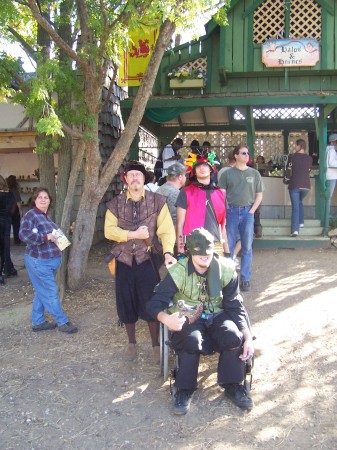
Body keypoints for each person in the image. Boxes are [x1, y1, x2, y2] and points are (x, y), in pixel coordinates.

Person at [146, 227, 254, 415]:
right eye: (199, 252)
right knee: (192, 340)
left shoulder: (226, 270)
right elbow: (154, 303)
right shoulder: (178, 272)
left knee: (233, 336)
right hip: (189, 315)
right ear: (189, 251)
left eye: (209, 251)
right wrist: (166, 319)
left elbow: (235, 305)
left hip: (218, 313)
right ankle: (184, 389)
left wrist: (247, 336)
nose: (205, 256)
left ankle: (232, 384)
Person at [104, 160, 176, 362]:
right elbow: (108, 231)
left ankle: (155, 345)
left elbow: (166, 230)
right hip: (124, 260)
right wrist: (132, 234)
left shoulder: (158, 201)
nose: (135, 178)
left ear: (145, 179)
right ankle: (131, 343)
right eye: (131, 175)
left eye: (139, 175)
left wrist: (168, 252)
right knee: (125, 302)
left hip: (147, 259)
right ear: (126, 179)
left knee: (150, 301)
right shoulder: (115, 204)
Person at [19, 188, 77, 333]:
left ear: (49, 201)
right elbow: (23, 235)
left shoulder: (45, 217)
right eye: (40, 197)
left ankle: (38, 322)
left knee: (41, 291)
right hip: (39, 261)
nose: (43, 199)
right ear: (35, 200)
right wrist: (45, 237)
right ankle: (62, 322)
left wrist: (69, 232)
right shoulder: (31, 215)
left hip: (49, 261)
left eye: (46, 197)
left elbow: (56, 238)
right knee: (50, 292)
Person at [218, 145, 264, 292]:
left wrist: (251, 211)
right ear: (236, 155)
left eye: (247, 153)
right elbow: (222, 195)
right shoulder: (227, 173)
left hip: (247, 213)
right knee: (229, 246)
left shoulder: (255, 173)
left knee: (247, 246)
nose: (247, 155)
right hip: (231, 211)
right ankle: (228, 279)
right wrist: (224, 211)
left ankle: (245, 279)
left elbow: (260, 194)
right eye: (243, 153)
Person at [176, 152, 228, 258]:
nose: (202, 168)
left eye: (205, 165)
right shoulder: (185, 192)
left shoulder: (220, 194)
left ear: (211, 169)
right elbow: (180, 225)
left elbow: (222, 226)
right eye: (198, 166)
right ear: (194, 171)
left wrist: (227, 252)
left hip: (216, 245)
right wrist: (180, 251)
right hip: (193, 244)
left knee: (215, 274)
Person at [287, 139, 312, 237]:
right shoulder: (309, 158)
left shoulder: (292, 157)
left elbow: (288, 169)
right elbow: (308, 170)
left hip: (294, 184)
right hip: (306, 185)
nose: (294, 147)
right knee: (299, 202)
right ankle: (301, 222)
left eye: (295, 145)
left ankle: (295, 230)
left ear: (299, 146)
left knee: (295, 207)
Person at [0, 175, 17, 284]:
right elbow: (12, 210)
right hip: (6, 222)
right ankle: (6, 270)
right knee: (5, 247)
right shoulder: (10, 194)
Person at [6, 175, 23, 245]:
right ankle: (17, 241)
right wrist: (20, 211)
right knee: (16, 226)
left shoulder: (5, 189)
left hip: (6, 210)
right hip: (15, 210)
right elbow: (18, 202)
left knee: (7, 227)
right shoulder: (15, 190)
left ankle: (6, 241)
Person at [325, 133, 337, 215]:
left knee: (326, 196)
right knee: (328, 197)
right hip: (332, 176)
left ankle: (326, 214)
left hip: (327, 175)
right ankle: (326, 216)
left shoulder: (326, 149)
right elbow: (332, 163)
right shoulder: (332, 150)